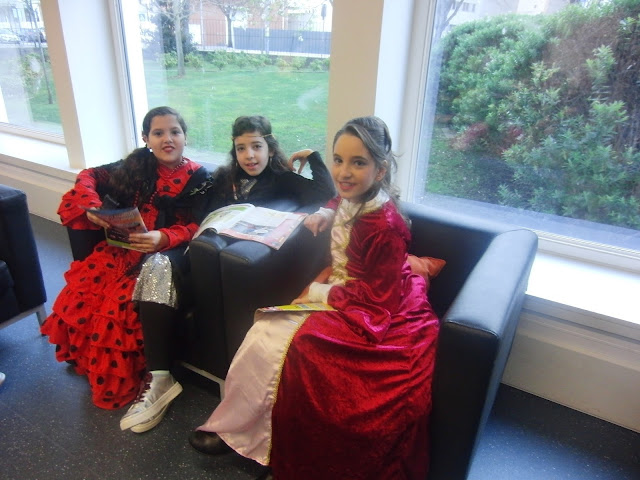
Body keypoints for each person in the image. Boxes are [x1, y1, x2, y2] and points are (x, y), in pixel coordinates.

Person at [188, 116, 440, 479]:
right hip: (347, 289)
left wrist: (321, 291)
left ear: (380, 170)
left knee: (294, 346)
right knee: (262, 332)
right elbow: (342, 196)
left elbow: (379, 302)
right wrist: (327, 209)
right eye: (338, 160)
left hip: (371, 309)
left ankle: (258, 436)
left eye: (358, 162)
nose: (344, 172)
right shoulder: (356, 196)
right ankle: (238, 428)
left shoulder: (386, 227)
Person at [121, 115, 336, 433]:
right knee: (156, 264)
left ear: (270, 148)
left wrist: (313, 156)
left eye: (257, 147)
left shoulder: (282, 179)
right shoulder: (223, 179)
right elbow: (197, 213)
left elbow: (323, 192)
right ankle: (160, 379)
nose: (250, 156)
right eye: (241, 148)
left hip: (233, 265)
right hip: (199, 249)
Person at [41, 107, 211, 432]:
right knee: (86, 292)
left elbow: (201, 224)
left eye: (175, 132)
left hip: (160, 255)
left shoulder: (199, 178)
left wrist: (164, 236)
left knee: (117, 309)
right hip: (120, 250)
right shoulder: (136, 165)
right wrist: (92, 205)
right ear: (146, 138)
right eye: (158, 133)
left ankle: (151, 380)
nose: (168, 139)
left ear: (185, 137)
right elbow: (89, 175)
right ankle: (92, 363)